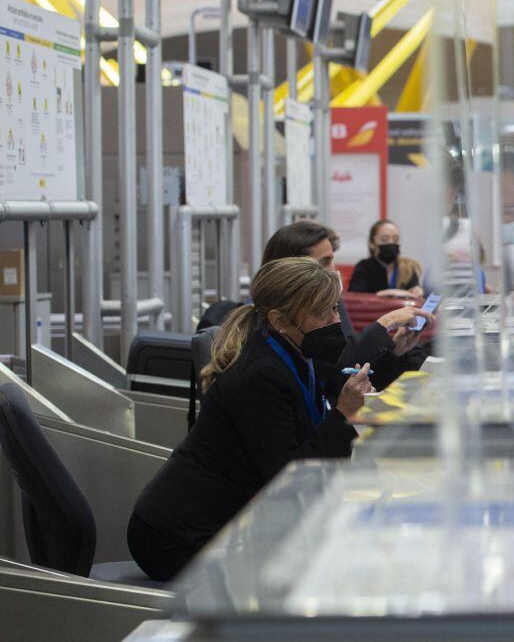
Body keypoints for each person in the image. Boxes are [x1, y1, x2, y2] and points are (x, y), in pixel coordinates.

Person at [127, 258, 398, 581]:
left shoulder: (295, 354)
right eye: (322, 312)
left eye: (334, 309)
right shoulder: (260, 375)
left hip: (224, 524)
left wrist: (389, 359)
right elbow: (289, 476)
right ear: (280, 320)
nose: (334, 320)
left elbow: (343, 383)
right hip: (177, 539)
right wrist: (344, 415)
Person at [262, 219, 354, 335]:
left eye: (332, 261)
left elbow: (348, 346)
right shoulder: (260, 341)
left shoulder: (332, 301)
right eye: (325, 262)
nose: (333, 270)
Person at [348, 219, 424, 298]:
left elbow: (416, 293)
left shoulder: (408, 268)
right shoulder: (363, 267)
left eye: (395, 239)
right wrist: (391, 293)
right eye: (384, 239)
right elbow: (355, 298)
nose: (391, 243)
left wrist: (418, 291)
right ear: (372, 243)